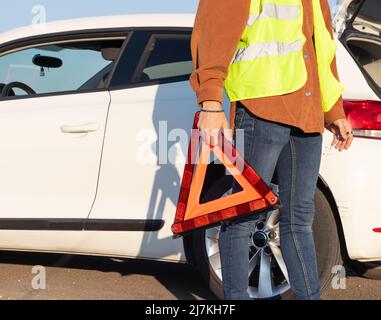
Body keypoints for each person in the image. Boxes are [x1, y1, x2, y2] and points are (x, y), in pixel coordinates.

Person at [189, 0, 353, 300]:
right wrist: (210, 102)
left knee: (300, 219)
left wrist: (334, 110)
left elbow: (323, 52)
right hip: (260, 107)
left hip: (307, 115)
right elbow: (213, 32)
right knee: (243, 217)